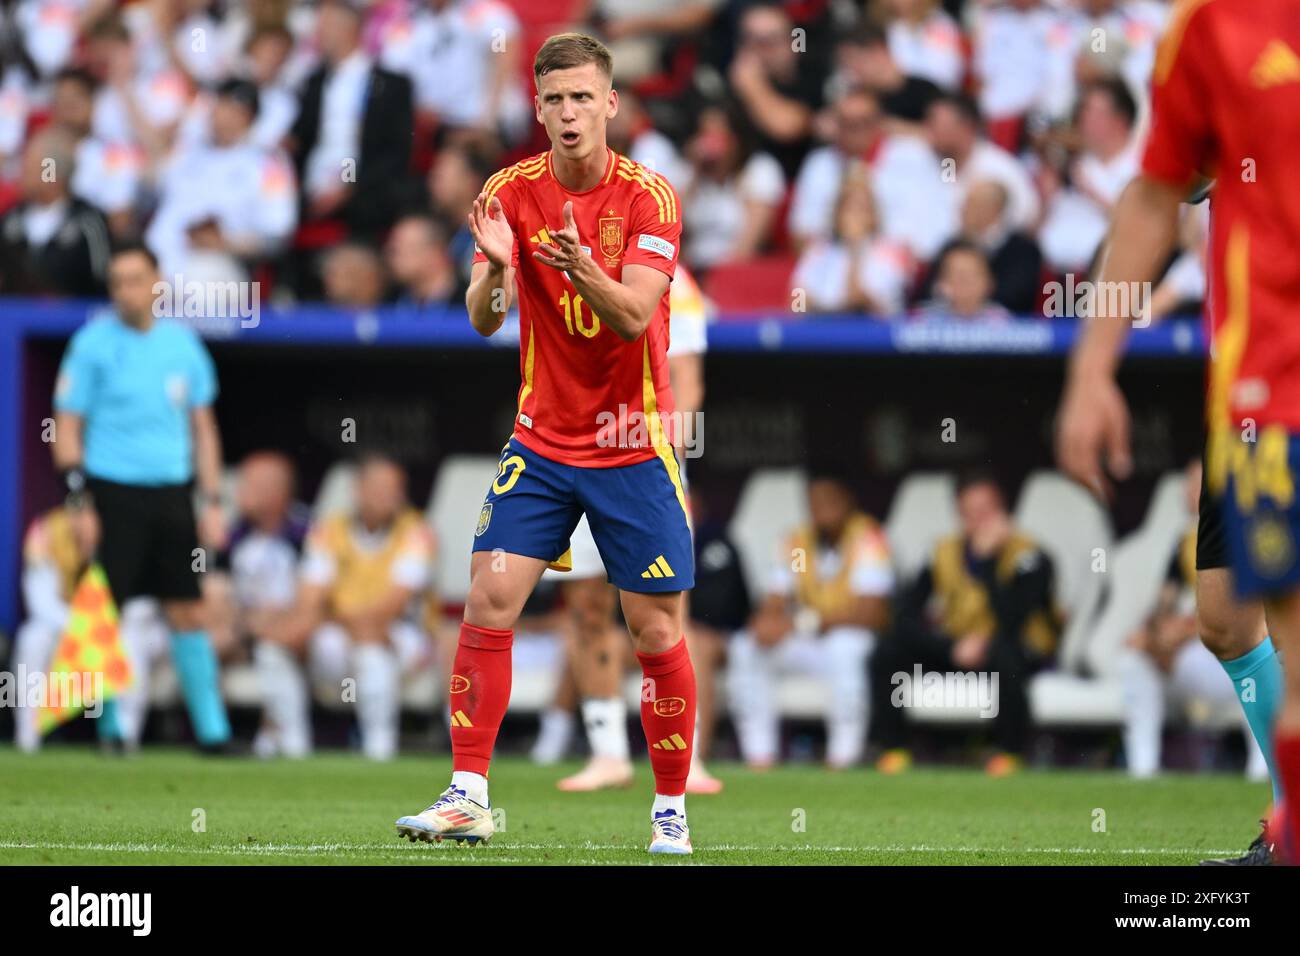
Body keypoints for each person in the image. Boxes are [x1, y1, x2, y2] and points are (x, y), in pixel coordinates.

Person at [394, 33, 698, 855]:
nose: (568, 113)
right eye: (554, 99)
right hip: (542, 439)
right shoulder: (507, 191)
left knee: (657, 633)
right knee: (488, 600)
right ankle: (467, 794)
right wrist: (494, 271)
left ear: (611, 104)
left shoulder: (650, 199)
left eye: (582, 98)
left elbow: (634, 316)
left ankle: (669, 809)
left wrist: (576, 268)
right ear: (538, 106)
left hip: (632, 441)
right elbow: (482, 318)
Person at [1055, 0, 1294, 864]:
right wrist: (1092, 368)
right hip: (1260, 383)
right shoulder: (1211, 29)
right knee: (1228, 618)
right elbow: (1161, 193)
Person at [51, 242, 231, 752]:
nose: (125, 291)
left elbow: (204, 430)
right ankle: (109, 731)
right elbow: (67, 426)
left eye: (134, 279)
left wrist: (211, 500)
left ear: (157, 283)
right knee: (103, 609)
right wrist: (79, 498)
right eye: (116, 282)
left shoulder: (183, 346)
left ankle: (213, 734)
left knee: (187, 608)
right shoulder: (90, 344)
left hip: (171, 492)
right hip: (110, 489)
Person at [870, 469, 1059, 775]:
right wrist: (950, 648)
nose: (980, 521)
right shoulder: (943, 551)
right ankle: (893, 748)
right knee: (889, 648)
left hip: (1015, 649)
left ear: (1003, 510)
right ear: (958, 515)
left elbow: (1012, 620)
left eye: (987, 511)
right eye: (970, 513)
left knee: (1006, 652)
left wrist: (987, 563)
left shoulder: (1030, 555)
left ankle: (1009, 752)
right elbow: (905, 615)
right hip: (959, 649)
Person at [728, 474, 892, 769]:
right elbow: (777, 595)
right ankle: (759, 755)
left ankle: (842, 758)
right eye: (814, 503)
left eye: (830, 501)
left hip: (848, 638)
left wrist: (800, 623)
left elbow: (870, 613)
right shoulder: (799, 541)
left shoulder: (867, 537)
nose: (821, 509)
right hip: (808, 640)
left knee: (846, 647)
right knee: (746, 645)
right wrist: (766, 621)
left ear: (848, 503)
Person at [1119, 460, 1269, 781]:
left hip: (1234, 656)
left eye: (1197, 483)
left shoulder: (1249, 531)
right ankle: (1142, 772)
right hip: (1194, 659)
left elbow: (1254, 613)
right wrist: (1154, 637)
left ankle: (1262, 772)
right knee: (1135, 661)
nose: (1190, 491)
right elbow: (1164, 604)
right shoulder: (1185, 541)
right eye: (1188, 485)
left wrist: (1185, 632)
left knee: (1260, 661)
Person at [282, 453, 435, 760]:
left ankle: (379, 748)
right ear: (358, 490)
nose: (386, 496)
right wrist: (332, 624)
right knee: (286, 641)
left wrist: (335, 620)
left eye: (393, 488)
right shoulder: (328, 529)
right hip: (340, 635)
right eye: (377, 487)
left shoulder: (417, 531)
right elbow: (309, 599)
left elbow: (390, 609)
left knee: (371, 652)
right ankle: (289, 746)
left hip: (403, 637)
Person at [218, 452, 312, 758]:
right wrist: (244, 624)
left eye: (250, 484)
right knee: (203, 641)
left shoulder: (308, 533)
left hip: (301, 633)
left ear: (277, 493)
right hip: (243, 629)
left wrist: (273, 624)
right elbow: (213, 594)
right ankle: (214, 736)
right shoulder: (230, 536)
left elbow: (317, 598)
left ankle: (293, 743)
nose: (239, 490)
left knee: (273, 649)